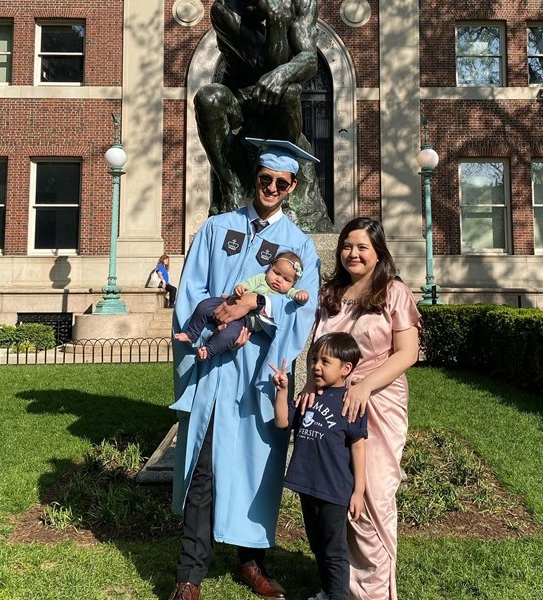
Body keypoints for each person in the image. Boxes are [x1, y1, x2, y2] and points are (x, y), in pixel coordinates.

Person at [167, 138, 322, 600]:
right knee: (205, 467)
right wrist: (217, 317)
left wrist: (252, 309)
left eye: (281, 182)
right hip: (215, 371)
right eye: (264, 179)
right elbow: (191, 289)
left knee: (257, 469)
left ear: (292, 186)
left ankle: (251, 562)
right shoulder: (218, 227)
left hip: (259, 374)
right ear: (254, 179)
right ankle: (189, 577)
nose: (271, 187)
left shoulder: (300, 245)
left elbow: (301, 310)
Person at [299, 216, 420, 599]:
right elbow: (318, 349)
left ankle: (372, 591)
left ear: (378, 252)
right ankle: (339, 586)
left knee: (373, 498)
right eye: (347, 246)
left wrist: (365, 385)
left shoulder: (394, 292)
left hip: (378, 402)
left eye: (362, 247)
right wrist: (309, 383)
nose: (353, 253)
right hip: (333, 407)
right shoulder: (330, 292)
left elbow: (408, 353)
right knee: (337, 494)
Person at [193, 0, 330, 231]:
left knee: (289, 91)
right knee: (209, 99)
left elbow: (309, 59)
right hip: (241, 101)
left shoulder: (302, 2)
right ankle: (232, 190)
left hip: (279, 100)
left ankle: (283, 184)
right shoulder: (225, 9)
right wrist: (277, 20)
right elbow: (265, 65)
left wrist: (283, 74)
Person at [272, 332, 368, 600]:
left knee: (334, 550)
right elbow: (282, 422)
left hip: (334, 491)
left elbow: (358, 446)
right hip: (307, 485)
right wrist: (282, 391)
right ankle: (327, 591)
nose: (316, 366)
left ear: (345, 369)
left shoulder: (351, 404)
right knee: (317, 544)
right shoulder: (307, 399)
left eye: (326, 361)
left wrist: (358, 490)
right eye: (315, 359)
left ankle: (338, 595)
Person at [174, 251, 310, 361]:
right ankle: (192, 333)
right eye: (276, 273)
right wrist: (240, 288)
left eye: (287, 279)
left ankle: (208, 351)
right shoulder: (261, 279)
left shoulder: (288, 292)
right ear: (270, 267)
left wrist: (302, 295)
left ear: (293, 283)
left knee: (229, 335)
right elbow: (246, 285)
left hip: (245, 321)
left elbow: (298, 298)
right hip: (231, 302)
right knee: (205, 305)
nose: (279, 280)